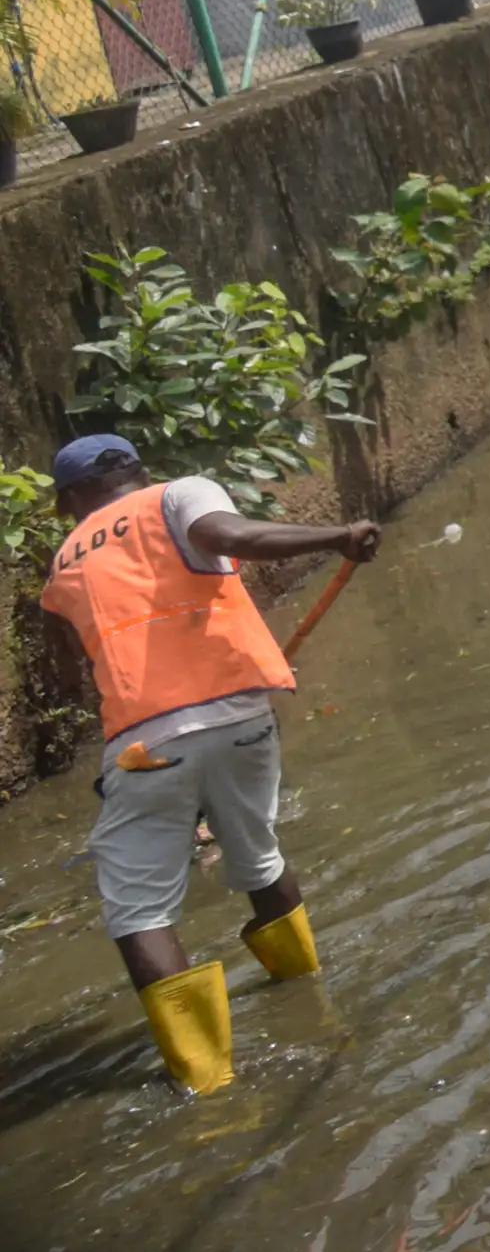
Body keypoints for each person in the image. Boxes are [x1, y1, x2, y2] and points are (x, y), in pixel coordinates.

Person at [33, 432, 379, 1095]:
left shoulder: (65, 558)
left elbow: (84, 660)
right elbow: (231, 535)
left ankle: (208, 1083)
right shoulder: (177, 495)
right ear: (135, 472)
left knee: (139, 911)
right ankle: (304, 991)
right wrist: (336, 536)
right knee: (258, 856)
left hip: (146, 741)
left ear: (73, 498)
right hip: (241, 717)